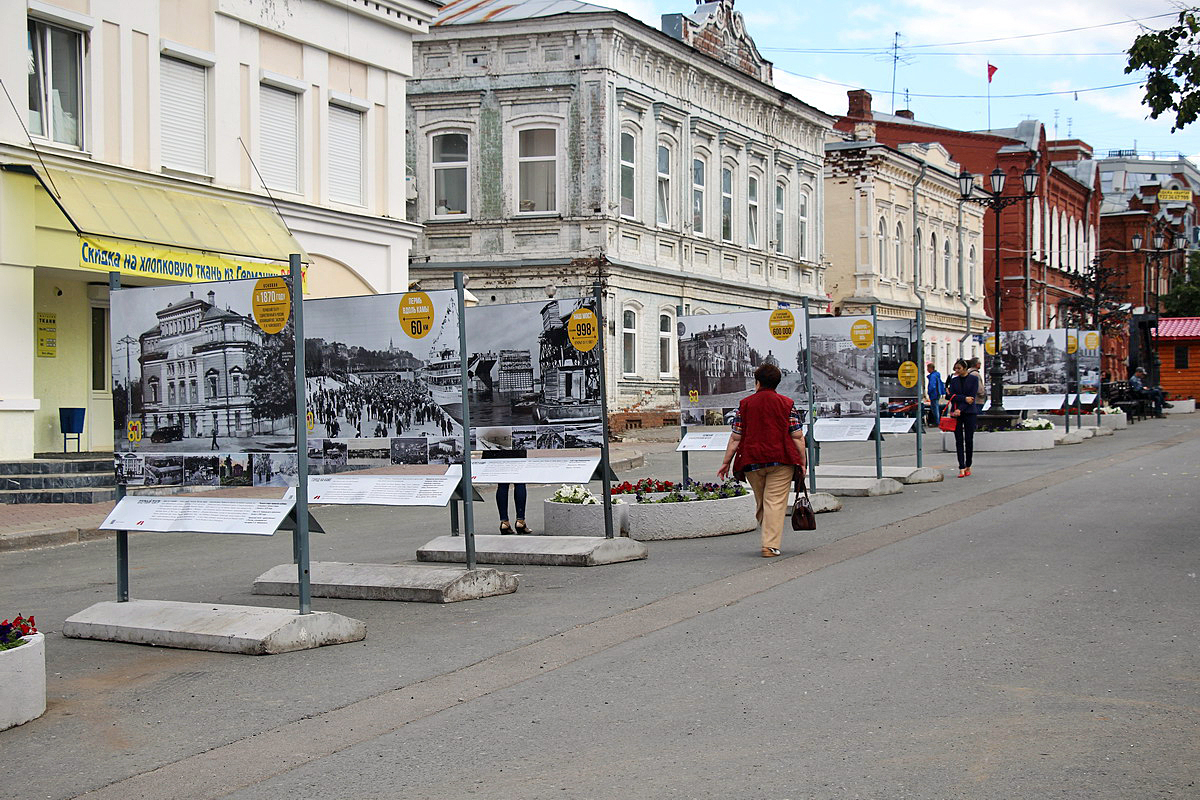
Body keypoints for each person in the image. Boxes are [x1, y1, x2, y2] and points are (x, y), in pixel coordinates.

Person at [717, 363, 807, 558]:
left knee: (762, 502)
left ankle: (768, 539)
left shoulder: (745, 404)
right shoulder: (786, 403)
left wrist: (726, 462)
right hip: (781, 460)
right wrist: (802, 461)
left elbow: (736, 437)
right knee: (774, 502)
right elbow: (797, 436)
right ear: (777, 383)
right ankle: (770, 544)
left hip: (752, 461)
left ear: (757, 382)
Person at [483, 449, 532, 534]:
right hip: (517, 452)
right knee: (520, 483)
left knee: (502, 485)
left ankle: (504, 522)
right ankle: (520, 521)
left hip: (500, 451)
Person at [946, 359, 980, 478]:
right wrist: (963, 399)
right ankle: (961, 466)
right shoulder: (954, 381)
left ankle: (968, 465)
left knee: (969, 440)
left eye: (959, 368)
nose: (956, 370)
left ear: (965, 368)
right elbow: (950, 396)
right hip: (956, 414)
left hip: (969, 412)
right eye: (955, 368)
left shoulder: (974, 379)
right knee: (958, 440)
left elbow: (971, 398)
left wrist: (961, 408)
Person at [925, 362, 946, 427]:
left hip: (934, 393)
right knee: (935, 407)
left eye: (928, 368)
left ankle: (937, 422)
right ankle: (937, 421)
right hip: (938, 393)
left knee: (934, 408)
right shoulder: (937, 375)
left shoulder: (933, 376)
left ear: (930, 368)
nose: (927, 370)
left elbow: (932, 385)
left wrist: (929, 392)